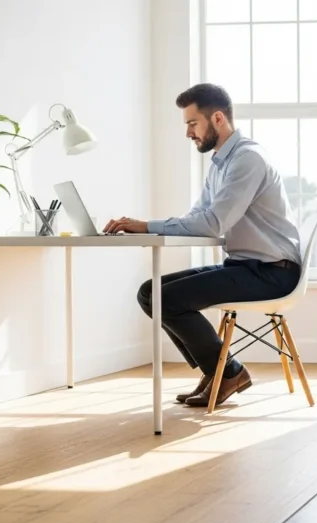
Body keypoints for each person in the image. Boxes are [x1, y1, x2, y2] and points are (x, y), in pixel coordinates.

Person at [104, 83, 302, 408]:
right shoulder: (221, 164)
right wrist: (150, 226)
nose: (188, 133)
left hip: (272, 273)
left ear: (218, 119)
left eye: (192, 123)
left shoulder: (247, 160)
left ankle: (228, 372)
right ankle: (218, 370)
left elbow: (211, 224)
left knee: (165, 298)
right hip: (245, 266)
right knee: (149, 293)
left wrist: (145, 225)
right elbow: (198, 215)